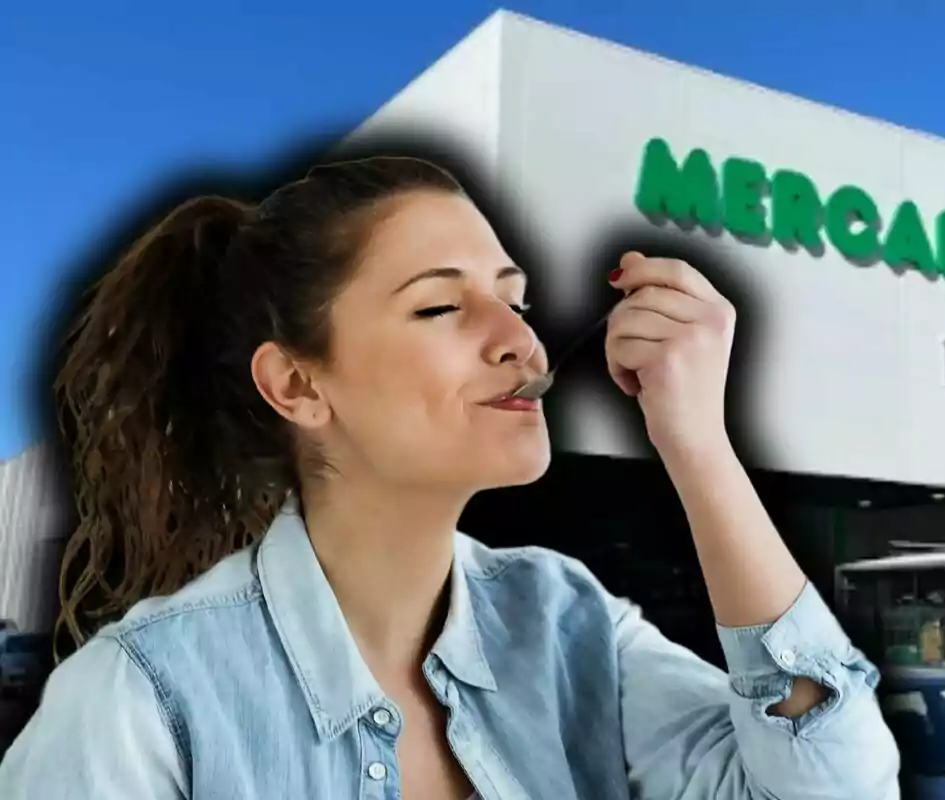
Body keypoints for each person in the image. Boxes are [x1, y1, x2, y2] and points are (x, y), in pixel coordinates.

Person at [0, 155, 899, 799]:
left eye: (515, 299)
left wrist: (698, 442)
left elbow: (834, 786)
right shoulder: (139, 702)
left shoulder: (569, 627)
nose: (519, 339)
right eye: (439, 306)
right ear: (298, 385)